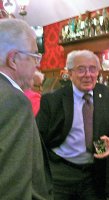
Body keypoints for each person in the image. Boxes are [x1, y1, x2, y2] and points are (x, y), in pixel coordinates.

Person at [36, 50, 109, 200]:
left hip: (94, 174)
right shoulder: (53, 100)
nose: (88, 74)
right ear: (70, 73)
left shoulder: (107, 95)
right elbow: (38, 138)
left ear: (98, 72)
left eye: (93, 69)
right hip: (61, 173)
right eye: (81, 69)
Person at [0, 18, 53, 199]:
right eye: (34, 56)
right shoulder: (14, 101)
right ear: (13, 59)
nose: (37, 65)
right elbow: (12, 184)